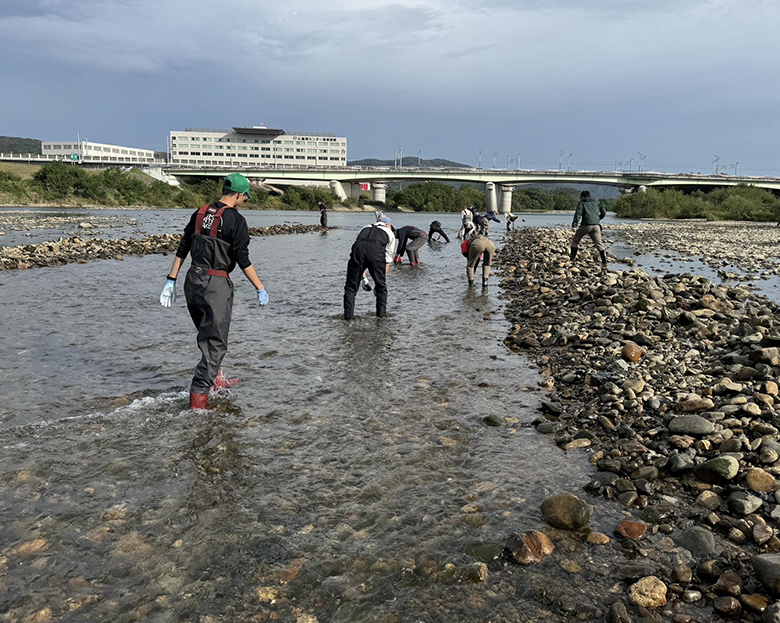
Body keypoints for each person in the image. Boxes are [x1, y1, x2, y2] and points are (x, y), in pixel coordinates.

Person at [159, 173, 269, 410]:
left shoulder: (200, 213)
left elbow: (183, 248)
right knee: (216, 343)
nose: (245, 201)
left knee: (206, 335)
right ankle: (198, 403)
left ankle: (217, 380)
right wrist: (260, 288)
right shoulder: (237, 221)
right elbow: (243, 260)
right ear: (239, 195)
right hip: (215, 285)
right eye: (245, 197)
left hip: (192, 281)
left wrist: (171, 280)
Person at [344, 216, 396, 320]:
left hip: (358, 251)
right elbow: (387, 260)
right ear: (388, 225)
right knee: (381, 288)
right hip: (376, 252)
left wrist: (363, 279)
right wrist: (379, 281)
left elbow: (361, 250)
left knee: (350, 288)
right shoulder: (390, 233)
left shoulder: (364, 228)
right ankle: (381, 318)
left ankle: (348, 319)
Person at [570, 190, 608, 265]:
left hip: (586, 226)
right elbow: (604, 211)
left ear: (582, 196)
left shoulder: (582, 202)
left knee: (575, 240)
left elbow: (578, 214)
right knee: (599, 243)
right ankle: (604, 261)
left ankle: (572, 258)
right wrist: (598, 219)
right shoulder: (597, 202)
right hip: (596, 226)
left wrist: (574, 225)